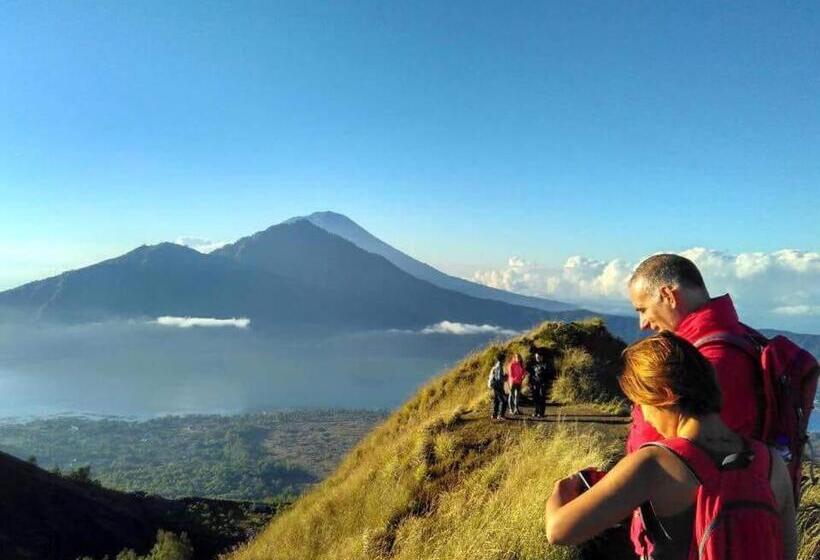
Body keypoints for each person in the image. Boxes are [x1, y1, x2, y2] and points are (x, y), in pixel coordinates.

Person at [545, 332, 796, 560]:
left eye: (640, 404)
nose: (642, 415)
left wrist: (562, 489)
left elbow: (558, 531)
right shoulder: (771, 464)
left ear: (664, 396)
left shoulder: (655, 464)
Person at [626, 254, 759, 452]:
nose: (643, 324)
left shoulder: (705, 363)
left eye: (643, 309)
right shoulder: (742, 339)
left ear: (668, 296)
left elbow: (666, 456)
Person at [529, 349, 553, 418]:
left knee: (542, 398)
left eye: (538, 357)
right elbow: (531, 375)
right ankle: (536, 411)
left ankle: (541, 413)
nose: (537, 358)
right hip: (535, 384)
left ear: (541, 357)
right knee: (535, 398)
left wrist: (543, 373)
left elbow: (549, 374)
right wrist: (530, 383)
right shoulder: (533, 365)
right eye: (536, 357)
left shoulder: (546, 364)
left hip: (543, 384)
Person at [487, 352, 507, 420]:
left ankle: (494, 415)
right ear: (502, 359)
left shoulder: (496, 366)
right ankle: (501, 415)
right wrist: (505, 377)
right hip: (498, 386)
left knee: (496, 400)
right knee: (504, 400)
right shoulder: (499, 366)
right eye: (504, 358)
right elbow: (499, 378)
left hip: (495, 385)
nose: (505, 359)